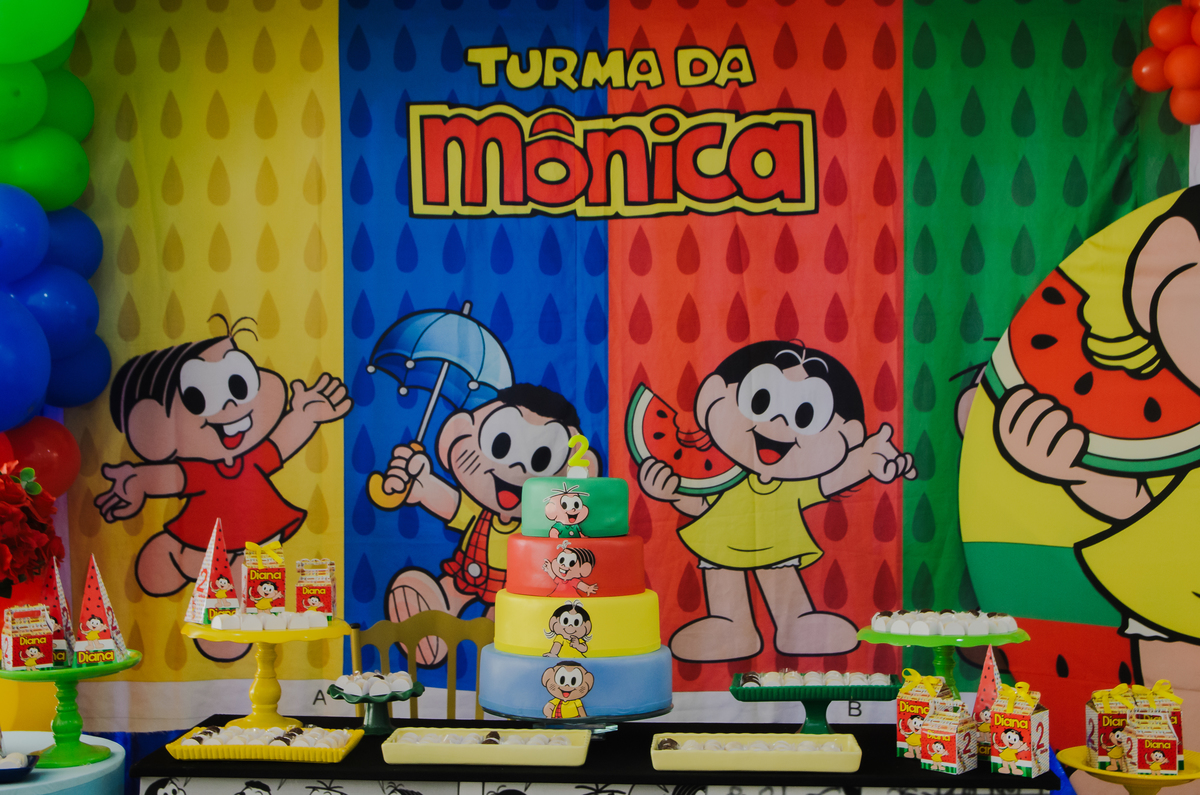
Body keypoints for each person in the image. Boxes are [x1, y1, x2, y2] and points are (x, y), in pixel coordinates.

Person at [635, 341, 915, 661]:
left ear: (847, 435)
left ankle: (795, 622)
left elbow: (829, 481)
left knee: (782, 583)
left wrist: (865, 460)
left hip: (777, 545)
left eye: (805, 415)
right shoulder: (721, 474)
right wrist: (671, 491)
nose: (779, 422)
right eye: (761, 400)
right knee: (726, 585)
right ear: (713, 395)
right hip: (720, 544)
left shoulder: (794, 482)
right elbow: (700, 502)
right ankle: (731, 625)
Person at [96, 317, 351, 660]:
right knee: (178, 560)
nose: (230, 406)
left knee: (247, 571)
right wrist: (138, 482)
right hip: (202, 530)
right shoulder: (201, 470)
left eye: (239, 383)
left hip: (254, 533)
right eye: (199, 398)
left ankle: (228, 622)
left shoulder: (254, 459)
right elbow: (173, 475)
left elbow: (281, 442)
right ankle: (181, 562)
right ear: (156, 423)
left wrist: (305, 416)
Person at [380, 384, 598, 664]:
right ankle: (429, 632)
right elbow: (449, 502)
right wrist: (420, 482)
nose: (518, 469)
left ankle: (506, 660)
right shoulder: (476, 512)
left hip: (513, 591)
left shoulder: (543, 522)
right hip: (465, 575)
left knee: (505, 626)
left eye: (541, 458)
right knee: (447, 594)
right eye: (501, 444)